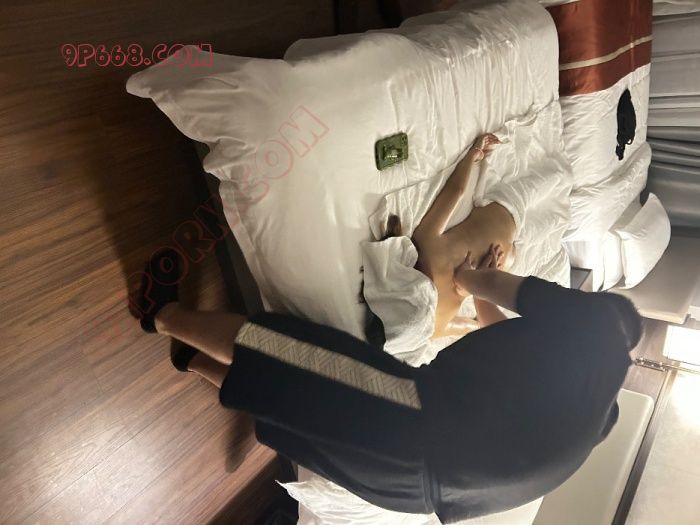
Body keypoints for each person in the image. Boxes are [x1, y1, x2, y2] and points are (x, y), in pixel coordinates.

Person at [134, 247, 642, 523]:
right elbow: (511, 349)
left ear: (599, 306)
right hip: (415, 494)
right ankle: (193, 360)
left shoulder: (593, 322)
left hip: (417, 424)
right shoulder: (600, 408)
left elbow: (496, 285)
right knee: (291, 404)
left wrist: (472, 277)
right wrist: (481, 304)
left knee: (285, 353)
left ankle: (163, 314)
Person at [382, 133, 517, 339]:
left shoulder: (434, 327)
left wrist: (479, 289)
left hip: (504, 249)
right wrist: (473, 155)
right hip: (506, 220)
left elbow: (474, 326)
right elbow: (456, 191)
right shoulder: (427, 246)